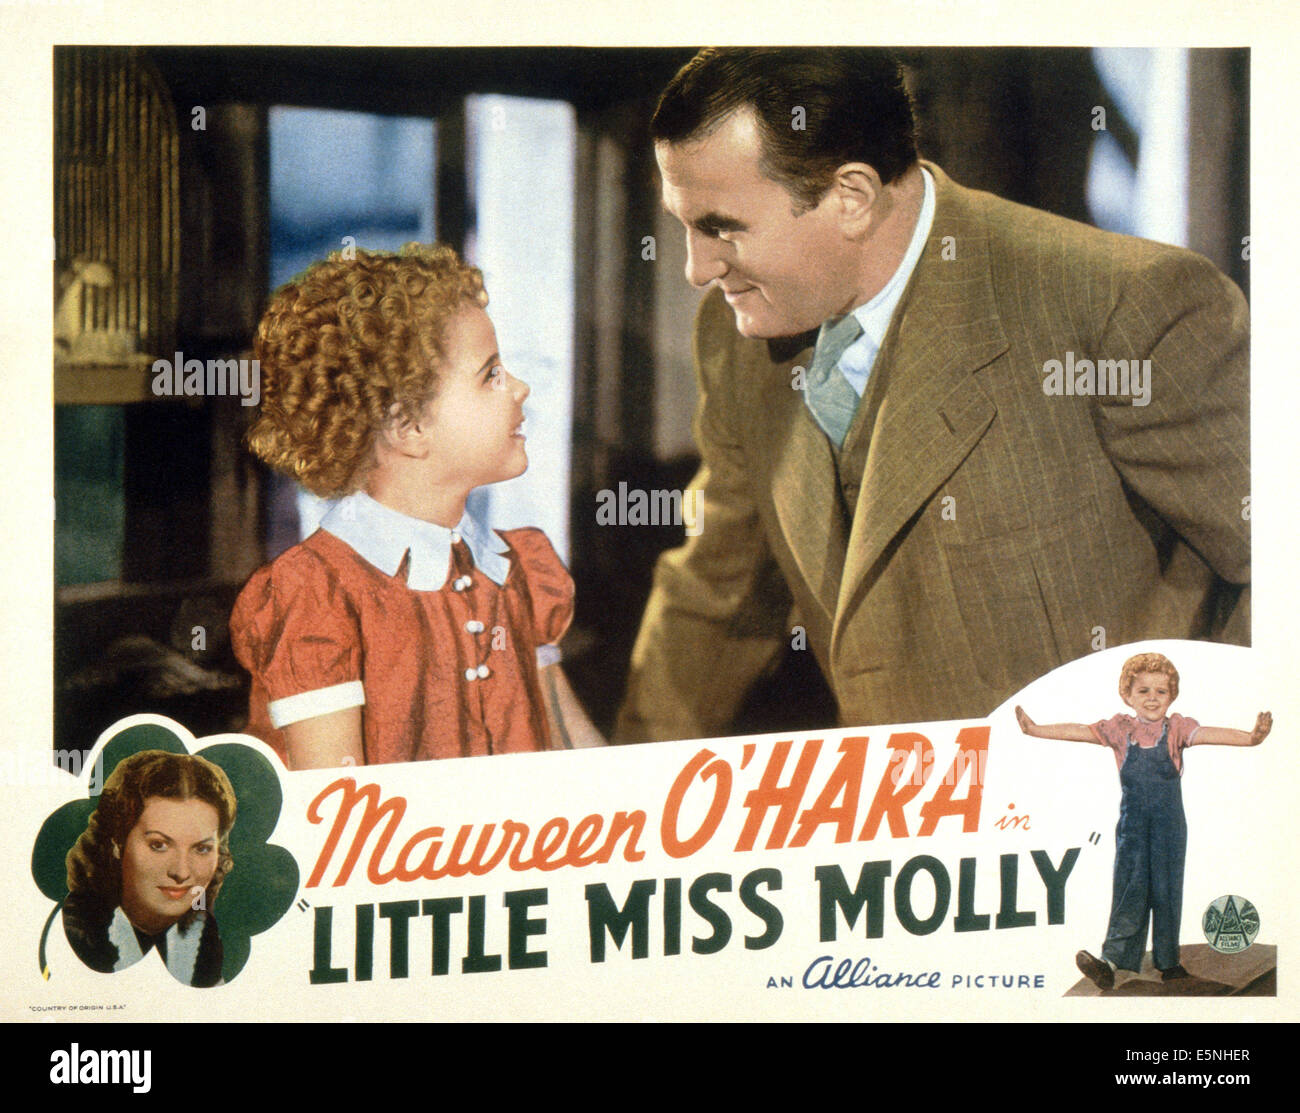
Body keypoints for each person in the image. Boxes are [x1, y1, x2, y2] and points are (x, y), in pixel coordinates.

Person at [615, 47, 1250, 742]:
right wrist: (616, 797)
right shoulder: (734, 335)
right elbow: (719, 596)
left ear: (852, 197)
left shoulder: (1126, 306)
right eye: (683, 223)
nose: (694, 269)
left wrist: (1194, 771)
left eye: (720, 228)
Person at [231, 243, 603, 768]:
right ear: (409, 427)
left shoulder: (516, 568)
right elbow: (335, 810)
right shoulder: (317, 593)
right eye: (491, 374)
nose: (519, 387)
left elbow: (577, 756)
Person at [1015, 652, 1271, 987]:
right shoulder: (1120, 731)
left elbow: (1210, 733)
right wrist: (1034, 729)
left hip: (1169, 827)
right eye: (1143, 691)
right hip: (1132, 828)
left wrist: (1252, 738)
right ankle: (1110, 962)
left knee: (1165, 890)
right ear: (1128, 695)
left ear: (1172, 695)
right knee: (1129, 888)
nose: (1152, 698)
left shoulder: (1178, 729)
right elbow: (1078, 731)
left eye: (1160, 692)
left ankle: (1168, 962)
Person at [63, 749, 235, 988]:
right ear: (117, 843)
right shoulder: (75, 933)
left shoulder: (207, 939)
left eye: (202, 849)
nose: (181, 872)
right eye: (159, 845)